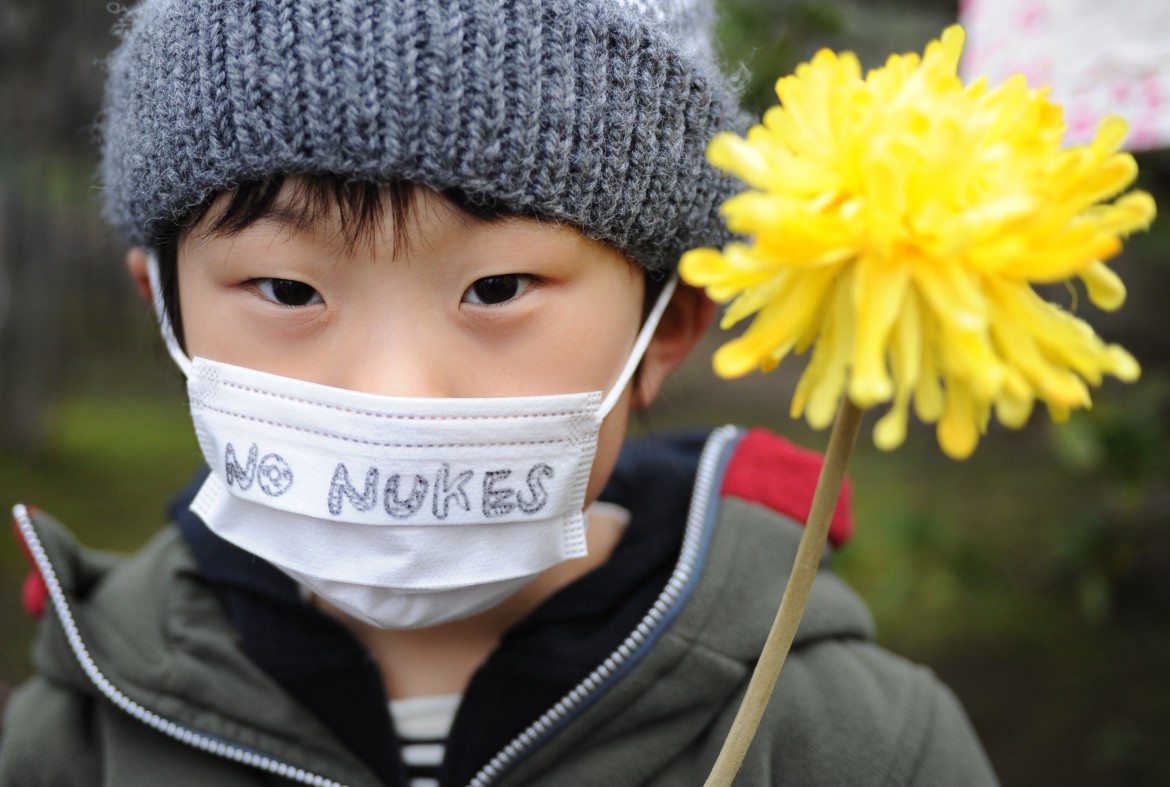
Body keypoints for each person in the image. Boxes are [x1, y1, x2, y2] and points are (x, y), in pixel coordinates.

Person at [0, 0, 999, 784]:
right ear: (166, 309)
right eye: (289, 289)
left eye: (497, 290)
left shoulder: (856, 740)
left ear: (671, 326)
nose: (398, 394)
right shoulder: (81, 736)